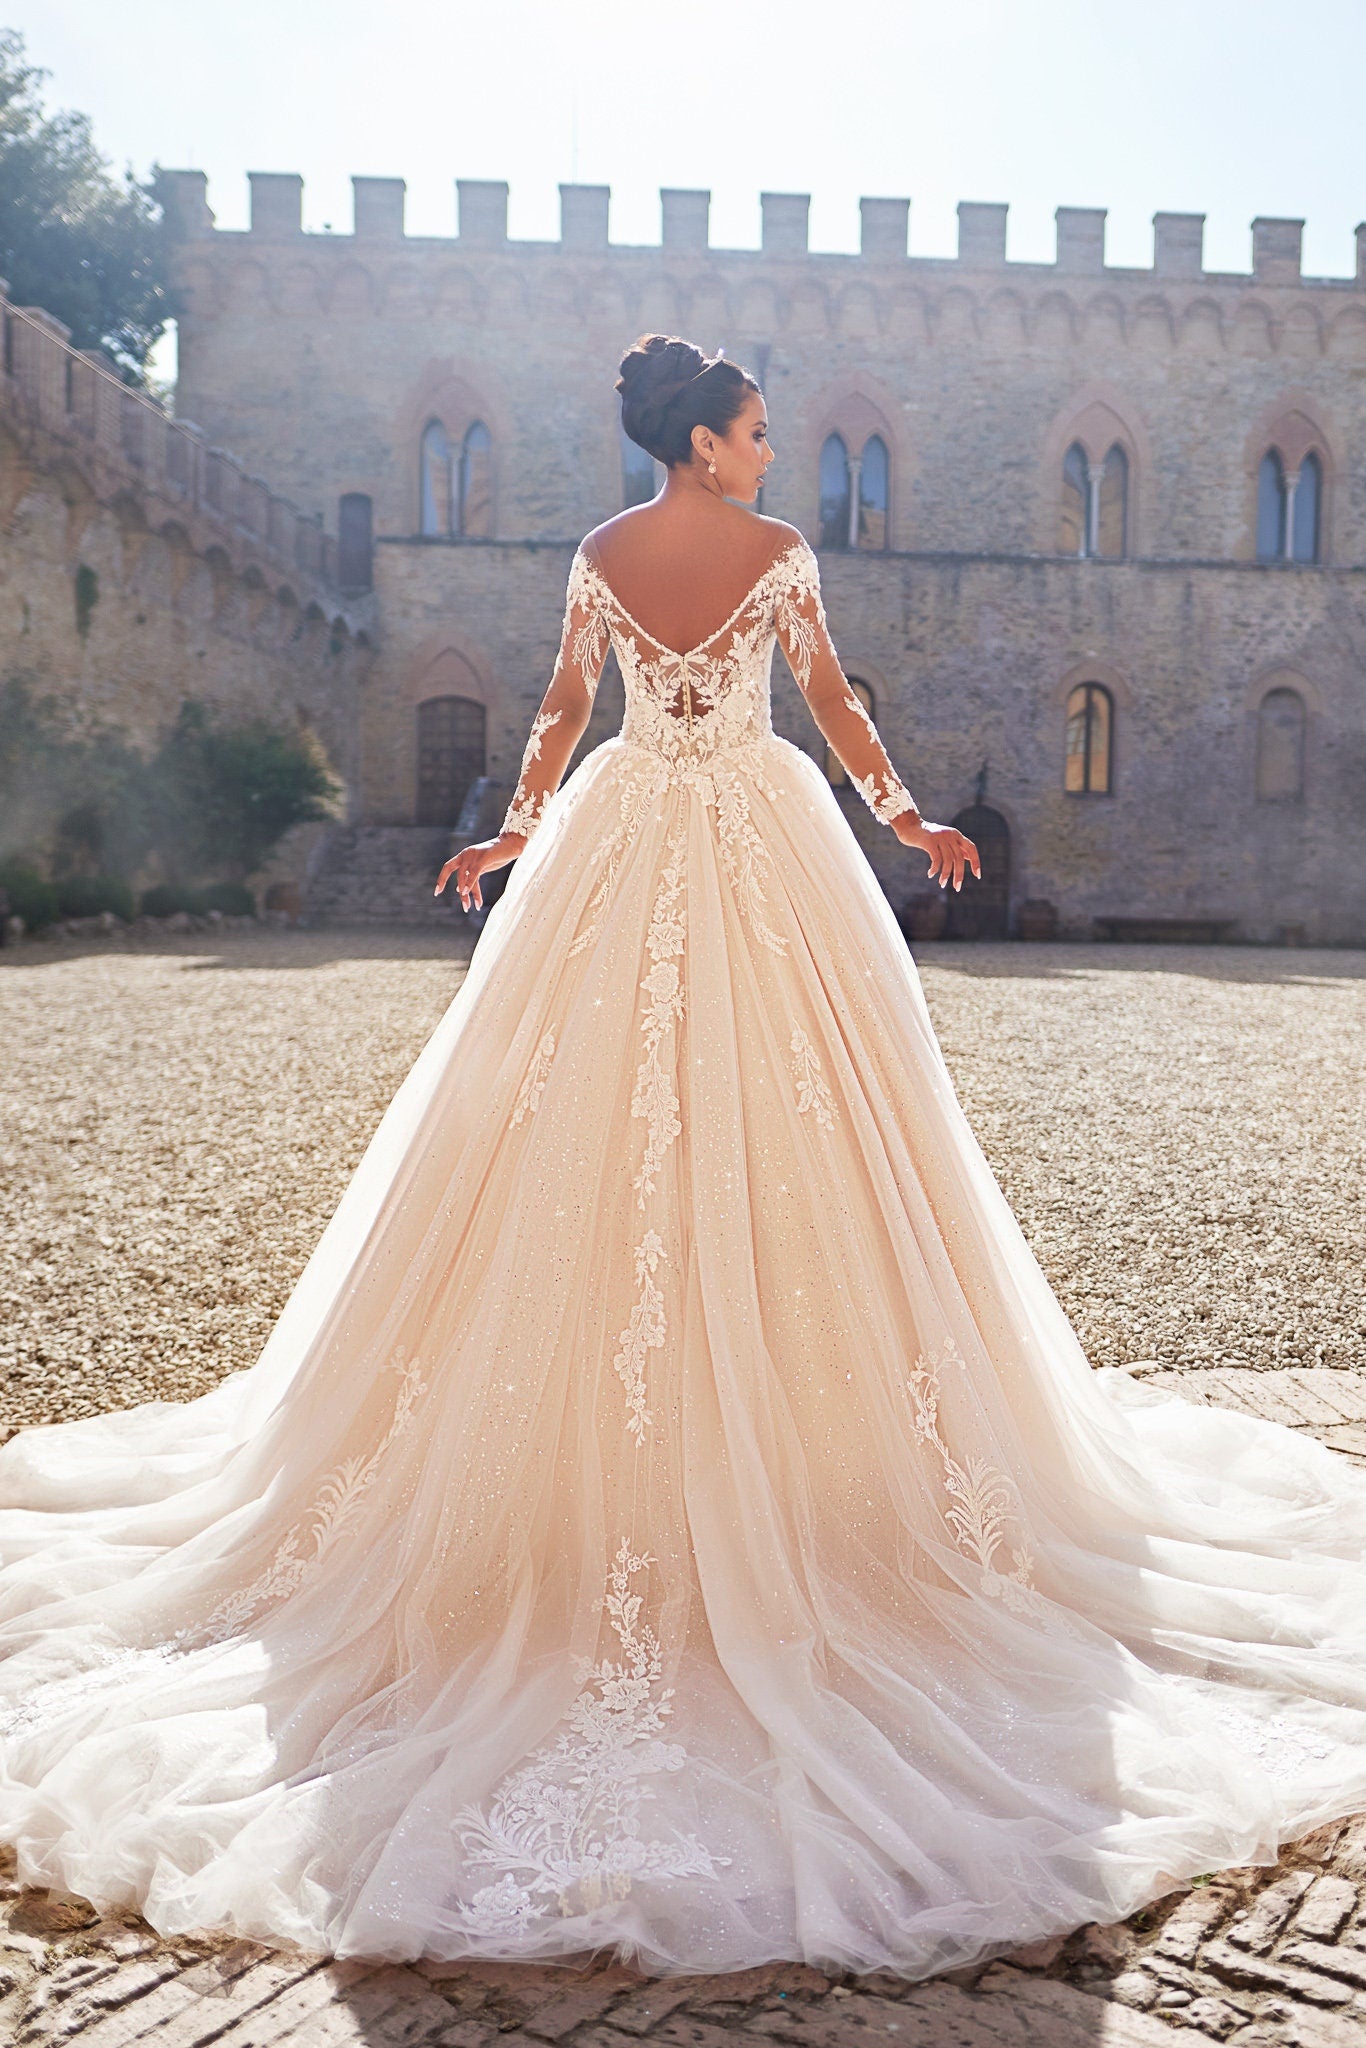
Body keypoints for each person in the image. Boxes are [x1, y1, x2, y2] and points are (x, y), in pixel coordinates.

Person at [0, 334, 1363, 1983]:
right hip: (764, 836)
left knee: (563, 1116)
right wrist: (907, 815)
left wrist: (515, 825)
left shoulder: (593, 554)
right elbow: (836, 703)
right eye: (760, 432)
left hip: (622, 827)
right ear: (707, 443)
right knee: (818, 1115)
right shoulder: (778, 560)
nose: (777, 455)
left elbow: (568, 710)